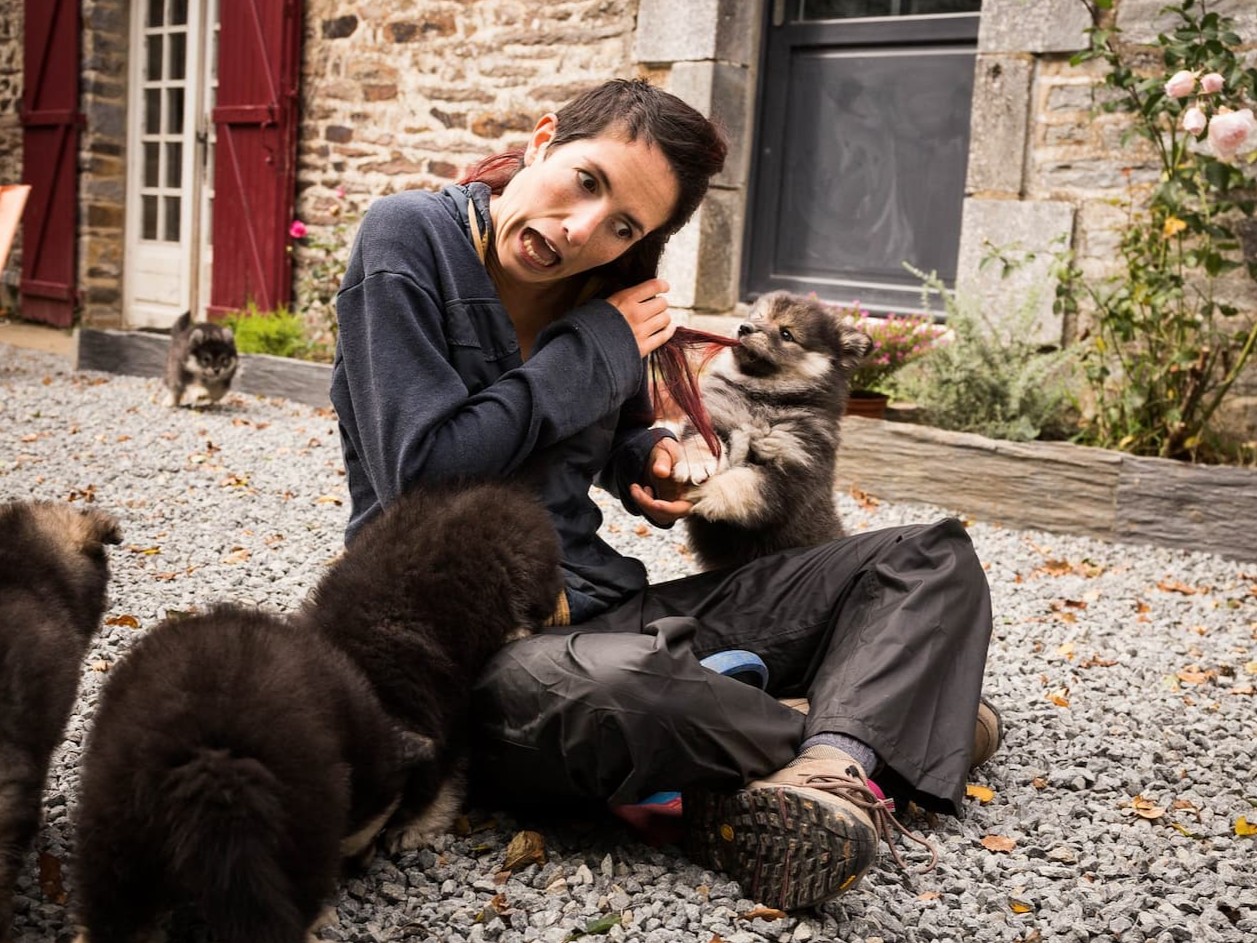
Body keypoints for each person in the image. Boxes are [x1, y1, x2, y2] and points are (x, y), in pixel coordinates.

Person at [330, 78, 998, 911]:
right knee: (627, 695)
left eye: (622, 226)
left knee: (928, 556)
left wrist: (653, 457)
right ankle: (878, 725)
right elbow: (422, 472)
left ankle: (825, 766)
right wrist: (589, 349)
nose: (582, 230)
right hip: (468, 645)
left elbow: (611, 436)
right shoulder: (407, 239)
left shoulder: (600, 288)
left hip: (611, 606)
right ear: (543, 139)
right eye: (586, 180)